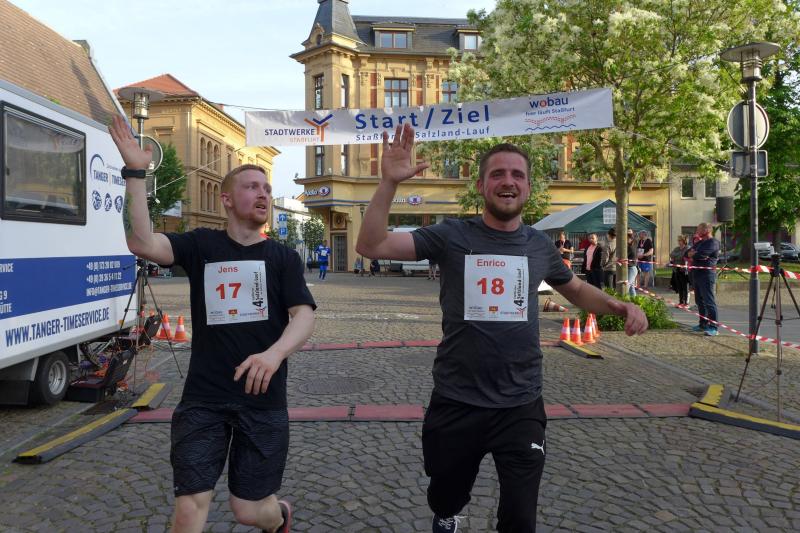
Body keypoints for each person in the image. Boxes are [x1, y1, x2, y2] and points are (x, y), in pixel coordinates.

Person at [356, 123, 648, 533]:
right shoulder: (451, 235)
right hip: (457, 399)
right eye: (497, 174)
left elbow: (578, 290)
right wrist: (388, 182)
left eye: (517, 175)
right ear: (481, 185)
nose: (508, 181)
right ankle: (447, 512)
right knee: (446, 494)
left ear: (528, 187)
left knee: (520, 518)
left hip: (520, 402)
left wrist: (619, 305)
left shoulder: (539, 245)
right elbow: (371, 246)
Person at [109, 115, 315, 533]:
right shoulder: (202, 244)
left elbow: (304, 315)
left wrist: (274, 354)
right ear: (226, 199)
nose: (263, 194)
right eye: (252, 186)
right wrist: (135, 173)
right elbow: (141, 242)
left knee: (248, 512)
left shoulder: (283, 258)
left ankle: (279, 516)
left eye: (267, 188)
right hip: (203, 398)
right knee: (189, 507)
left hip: (263, 399)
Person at [687, 222, 720, 335]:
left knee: (709, 301)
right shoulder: (700, 242)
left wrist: (695, 254)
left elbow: (701, 255)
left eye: (699, 229)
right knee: (699, 301)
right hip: (697, 274)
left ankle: (714, 327)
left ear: (707, 230)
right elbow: (687, 253)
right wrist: (694, 254)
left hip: (707, 274)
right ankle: (703, 324)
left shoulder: (713, 242)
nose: (697, 231)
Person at [669, 235, 691, 307]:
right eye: (678, 240)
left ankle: (686, 303)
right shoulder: (677, 248)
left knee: (685, 287)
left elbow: (682, 256)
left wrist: (676, 256)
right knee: (679, 287)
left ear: (684, 241)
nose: (678, 242)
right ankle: (681, 302)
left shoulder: (687, 248)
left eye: (680, 240)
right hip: (676, 269)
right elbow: (671, 254)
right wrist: (676, 256)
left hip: (684, 270)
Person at [625, 230, 638, 297]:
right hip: (630, 268)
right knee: (631, 288)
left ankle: (622, 300)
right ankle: (635, 301)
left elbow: (625, 256)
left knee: (626, 287)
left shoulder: (631, 247)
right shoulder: (630, 245)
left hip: (631, 269)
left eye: (626, 238)